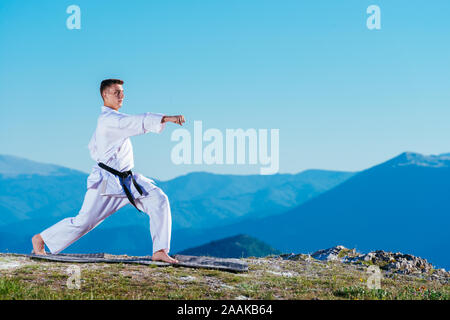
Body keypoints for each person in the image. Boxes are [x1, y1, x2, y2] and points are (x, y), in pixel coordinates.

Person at [31, 79, 185, 264]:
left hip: (127, 179)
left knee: (158, 199)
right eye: (116, 92)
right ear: (105, 95)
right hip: (107, 182)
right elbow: (135, 121)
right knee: (84, 222)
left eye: (122, 92)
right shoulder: (109, 120)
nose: (122, 96)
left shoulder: (113, 119)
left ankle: (160, 250)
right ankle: (41, 239)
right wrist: (166, 118)